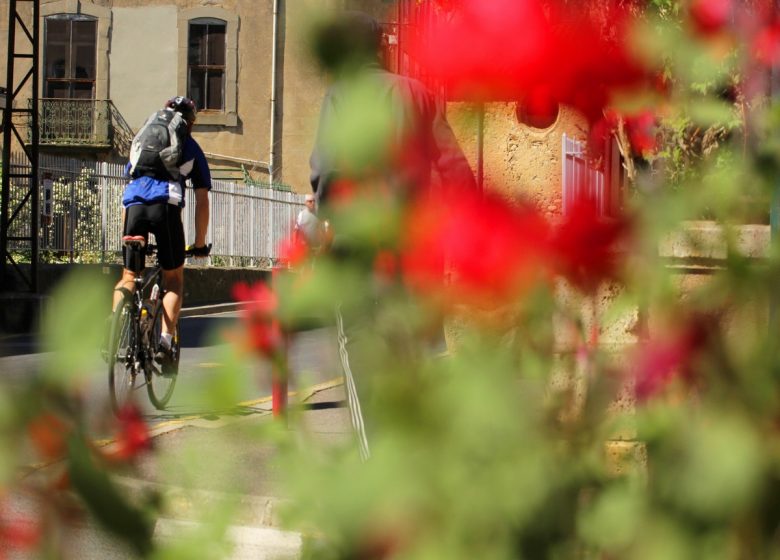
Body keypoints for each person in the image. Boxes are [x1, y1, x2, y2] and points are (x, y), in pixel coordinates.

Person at [308, 11, 476, 459]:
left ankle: (380, 470)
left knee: (360, 352)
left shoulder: (341, 96)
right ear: (382, 47)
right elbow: (458, 171)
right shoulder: (419, 95)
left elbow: (327, 170)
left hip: (358, 250)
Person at [112, 96, 212, 368]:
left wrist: (127, 233)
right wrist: (199, 243)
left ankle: (116, 325)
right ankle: (165, 344)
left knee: (130, 274)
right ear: (189, 124)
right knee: (174, 280)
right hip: (165, 208)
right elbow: (202, 200)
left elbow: (129, 187)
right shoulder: (190, 147)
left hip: (133, 207)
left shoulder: (143, 142)